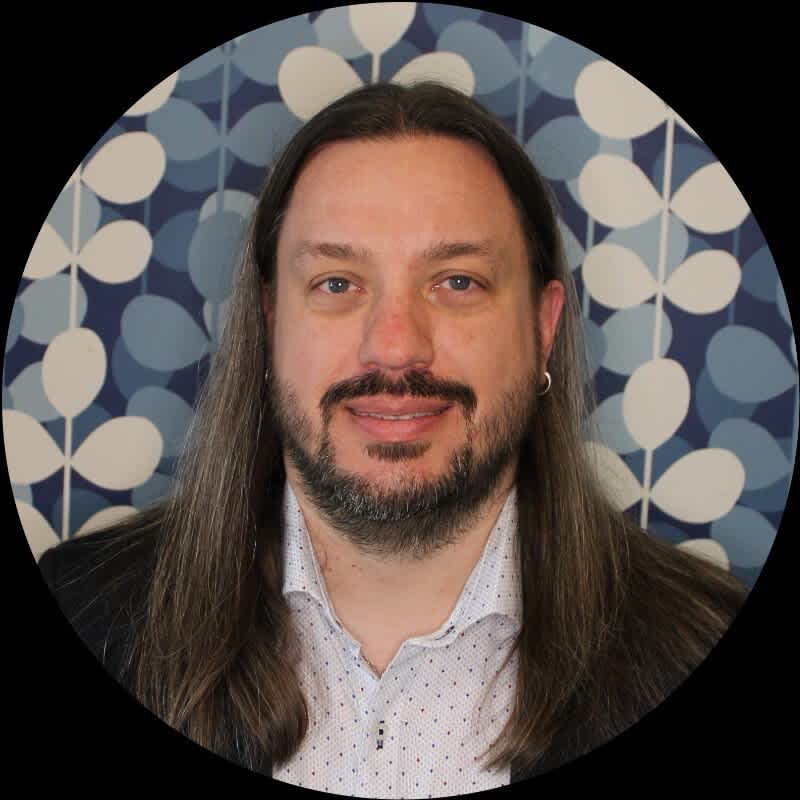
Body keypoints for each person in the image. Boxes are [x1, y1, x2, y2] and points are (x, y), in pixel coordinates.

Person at [37, 81, 746, 797]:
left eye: (458, 281)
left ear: (542, 327)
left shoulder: (697, 645)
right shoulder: (85, 615)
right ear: (271, 323)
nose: (396, 346)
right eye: (337, 283)